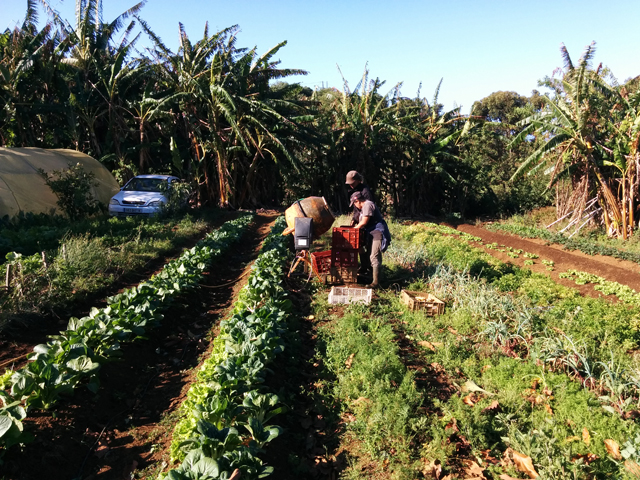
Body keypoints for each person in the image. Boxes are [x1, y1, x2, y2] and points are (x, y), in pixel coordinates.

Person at [350, 191, 391, 288]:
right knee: (363, 250)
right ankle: (366, 270)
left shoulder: (367, 205)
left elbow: (364, 222)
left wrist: (353, 230)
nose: (355, 206)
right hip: (369, 232)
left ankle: (376, 282)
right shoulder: (362, 208)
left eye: (354, 204)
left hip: (377, 232)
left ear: (358, 201)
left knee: (374, 256)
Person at [345, 170, 376, 274]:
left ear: (358, 181)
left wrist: (360, 224)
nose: (351, 186)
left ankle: (370, 268)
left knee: (368, 246)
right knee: (359, 245)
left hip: (368, 222)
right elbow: (356, 209)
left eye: (352, 183)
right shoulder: (354, 190)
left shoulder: (365, 192)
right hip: (360, 221)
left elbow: (366, 208)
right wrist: (354, 220)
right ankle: (364, 266)